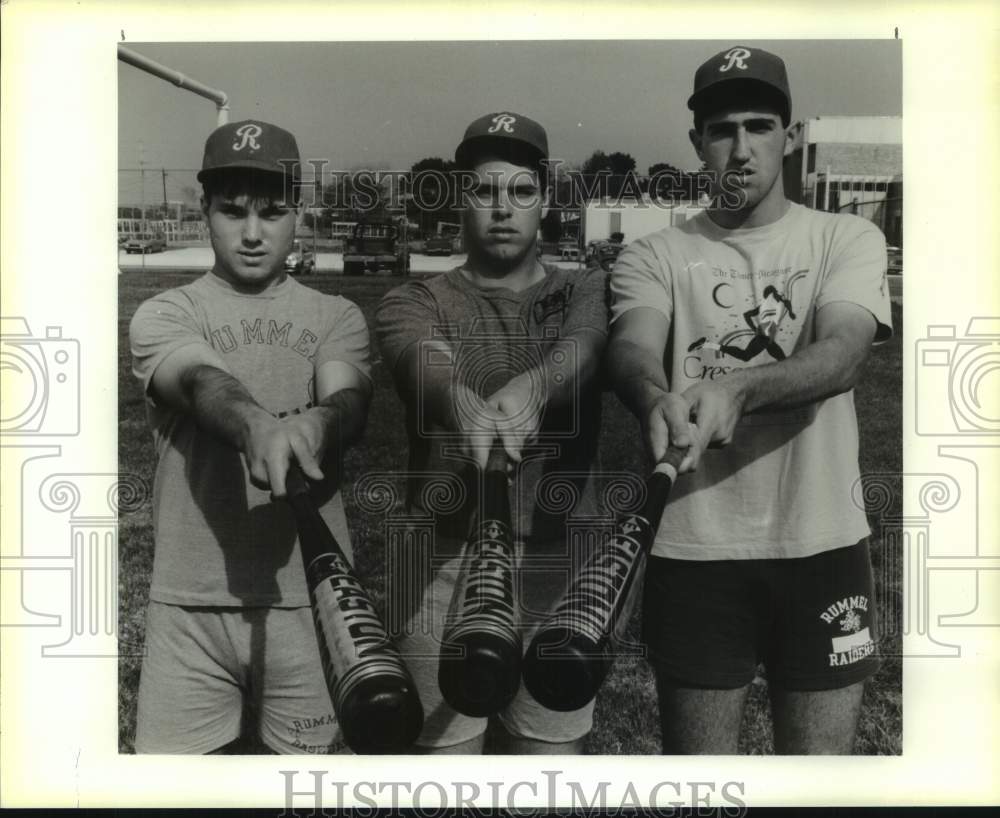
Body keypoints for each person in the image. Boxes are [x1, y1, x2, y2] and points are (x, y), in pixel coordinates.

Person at [607, 46, 892, 754]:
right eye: (722, 128)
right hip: (695, 547)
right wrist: (651, 398)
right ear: (697, 141)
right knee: (700, 786)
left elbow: (845, 351)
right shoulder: (656, 254)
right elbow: (633, 350)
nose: (740, 147)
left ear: (790, 138)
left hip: (821, 541)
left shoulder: (845, 235)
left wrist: (739, 388)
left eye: (759, 126)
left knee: (816, 784)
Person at [128, 119, 372, 754]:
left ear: (299, 214)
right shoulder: (167, 311)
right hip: (190, 609)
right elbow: (200, 381)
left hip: (309, 605)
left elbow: (350, 398)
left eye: (274, 210)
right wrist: (256, 424)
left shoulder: (336, 315)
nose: (255, 232)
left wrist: (323, 421)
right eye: (233, 211)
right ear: (205, 211)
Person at [375, 112, 609, 754]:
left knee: (546, 771)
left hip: (554, 565)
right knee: (439, 772)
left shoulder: (587, 288)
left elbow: (583, 344)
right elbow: (423, 362)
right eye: (484, 191)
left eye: (521, 192)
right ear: (460, 201)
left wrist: (533, 388)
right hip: (444, 562)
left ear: (546, 202)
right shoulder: (415, 300)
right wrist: (462, 402)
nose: (503, 209)